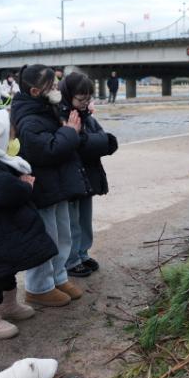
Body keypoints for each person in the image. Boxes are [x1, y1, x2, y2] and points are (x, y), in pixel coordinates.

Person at [0, 109, 58, 339]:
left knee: (7, 267)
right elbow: (7, 190)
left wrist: (20, 183)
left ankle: (8, 305)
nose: (12, 140)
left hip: (0, 228)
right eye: (9, 136)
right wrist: (25, 186)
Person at [10, 64, 91, 307]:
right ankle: (39, 287)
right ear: (35, 91)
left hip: (56, 185)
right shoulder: (29, 118)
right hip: (42, 188)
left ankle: (58, 277)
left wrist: (76, 124)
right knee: (45, 239)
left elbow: (66, 134)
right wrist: (70, 132)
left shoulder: (47, 108)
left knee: (62, 236)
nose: (57, 89)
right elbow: (46, 150)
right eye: (52, 86)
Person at [59, 73, 118, 277]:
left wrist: (88, 140)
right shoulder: (60, 116)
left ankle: (82, 253)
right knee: (71, 222)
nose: (85, 103)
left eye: (88, 98)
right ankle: (71, 260)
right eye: (81, 99)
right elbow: (74, 144)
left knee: (85, 219)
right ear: (68, 95)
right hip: (70, 177)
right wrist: (93, 142)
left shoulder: (86, 116)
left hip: (87, 175)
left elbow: (104, 140)